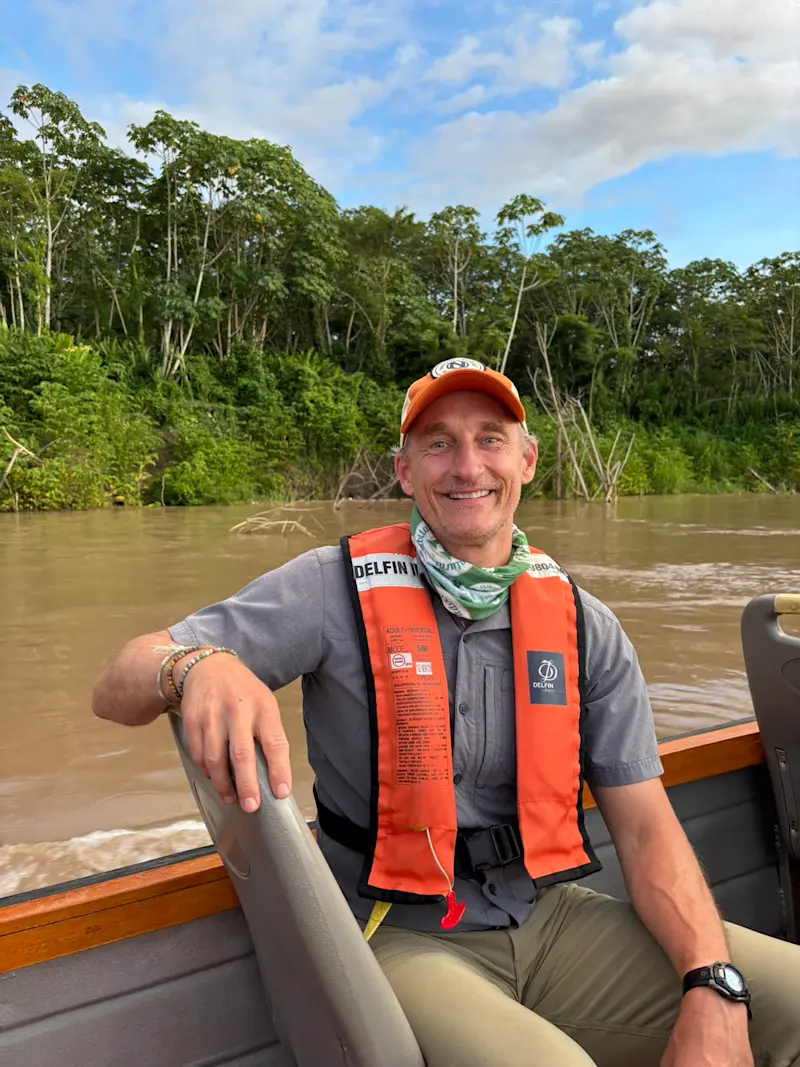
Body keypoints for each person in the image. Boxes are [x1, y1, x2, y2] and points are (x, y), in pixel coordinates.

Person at [92, 358, 800, 1067]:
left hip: (550, 916)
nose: (467, 466)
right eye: (439, 442)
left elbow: (647, 831)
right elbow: (117, 682)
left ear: (526, 461)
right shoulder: (328, 588)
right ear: (404, 470)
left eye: (490, 439)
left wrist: (713, 984)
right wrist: (194, 665)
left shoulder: (585, 624)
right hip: (394, 928)